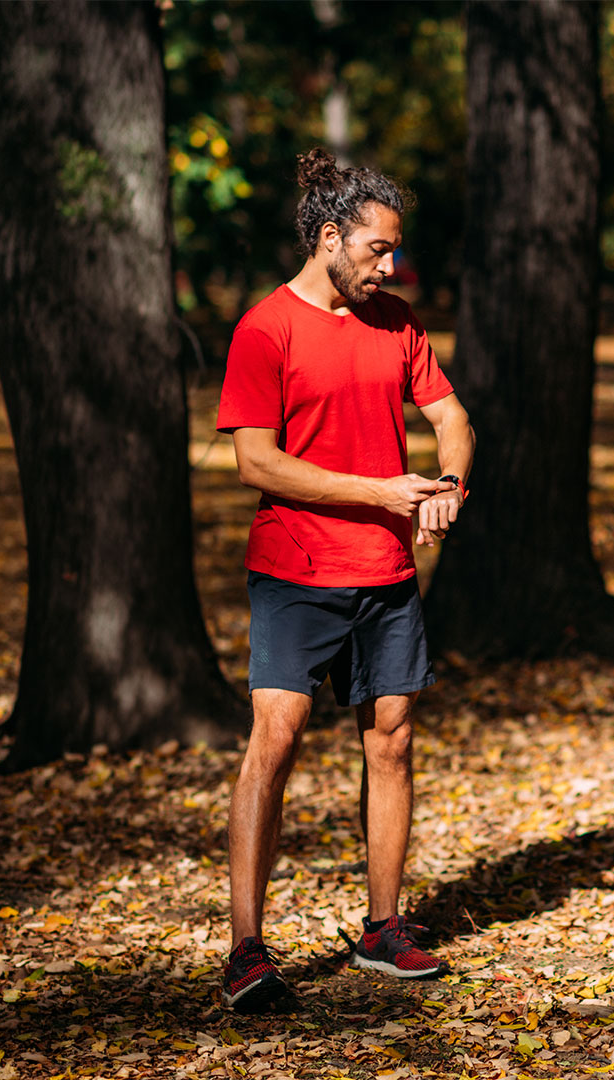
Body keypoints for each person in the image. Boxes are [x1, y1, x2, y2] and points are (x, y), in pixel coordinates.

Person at [215, 148, 475, 1011]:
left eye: (394, 249)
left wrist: (450, 482)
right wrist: (380, 492)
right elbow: (255, 462)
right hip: (295, 570)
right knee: (276, 741)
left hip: (386, 573)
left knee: (391, 742)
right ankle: (246, 948)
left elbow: (452, 416)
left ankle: (382, 928)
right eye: (376, 249)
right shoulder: (265, 329)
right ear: (329, 238)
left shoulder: (396, 322)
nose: (389, 265)